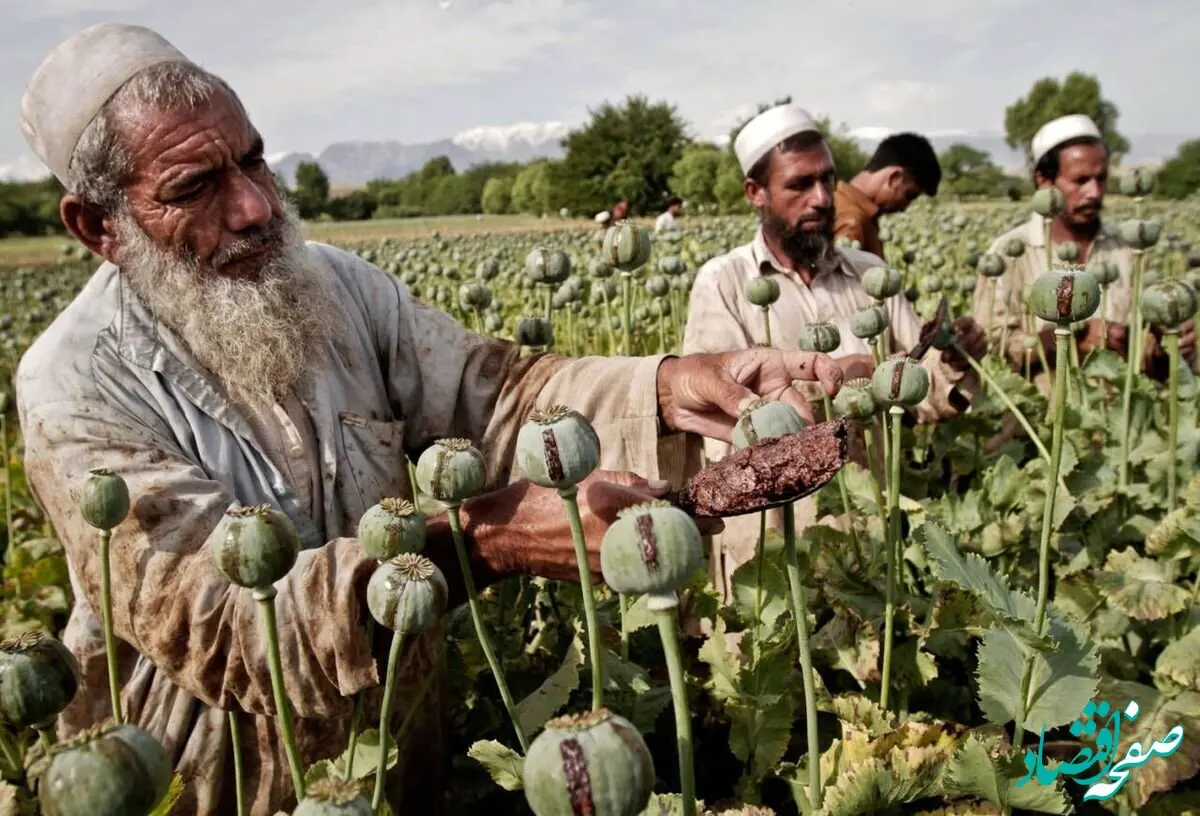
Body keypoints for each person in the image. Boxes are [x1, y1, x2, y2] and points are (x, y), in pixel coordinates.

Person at [14, 25, 844, 816]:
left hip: (397, 743)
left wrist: (668, 384)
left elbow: (501, 394)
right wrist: (482, 543)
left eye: (255, 161)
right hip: (207, 774)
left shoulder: (334, 285)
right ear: (99, 227)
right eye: (195, 187)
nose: (255, 208)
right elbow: (225, 625)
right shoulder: (74, 384)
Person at [682, 103, 985, 600]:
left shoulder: (870, 274)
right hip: (773, 548)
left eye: (828, 180)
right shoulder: (724, 283)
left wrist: (952, 362)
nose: (821, 199)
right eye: (799, 185)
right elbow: (718, 412)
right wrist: (838, 377)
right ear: (756, 194)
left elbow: (918, 392)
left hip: (864, 533)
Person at [974, 114, 1195, 383]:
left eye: (1101, 179)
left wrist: (1166, 345)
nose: (1094, 192)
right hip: (1038, 420)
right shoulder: (1008, 253)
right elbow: (992, 351)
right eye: (1080, 180)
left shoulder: (1130, 249)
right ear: (1044, 181)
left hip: (1122, 416)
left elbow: (1152, 354)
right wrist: (1073, 334)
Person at [834, 132, 941, 257]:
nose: (904, 208)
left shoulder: (839, 201)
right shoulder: (852, 223)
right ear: (894, 178)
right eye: (909, 196)